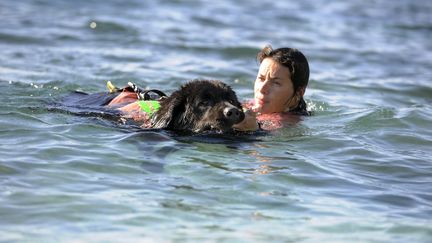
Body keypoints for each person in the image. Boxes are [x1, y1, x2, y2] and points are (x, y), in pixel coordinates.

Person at [233, 45, 310, 131]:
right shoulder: (250, 105)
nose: (262, 89)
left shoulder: (286, 123)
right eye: (261, 78)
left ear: (298, 93)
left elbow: (264, 140)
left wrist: (253, 130)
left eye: (276, 83)